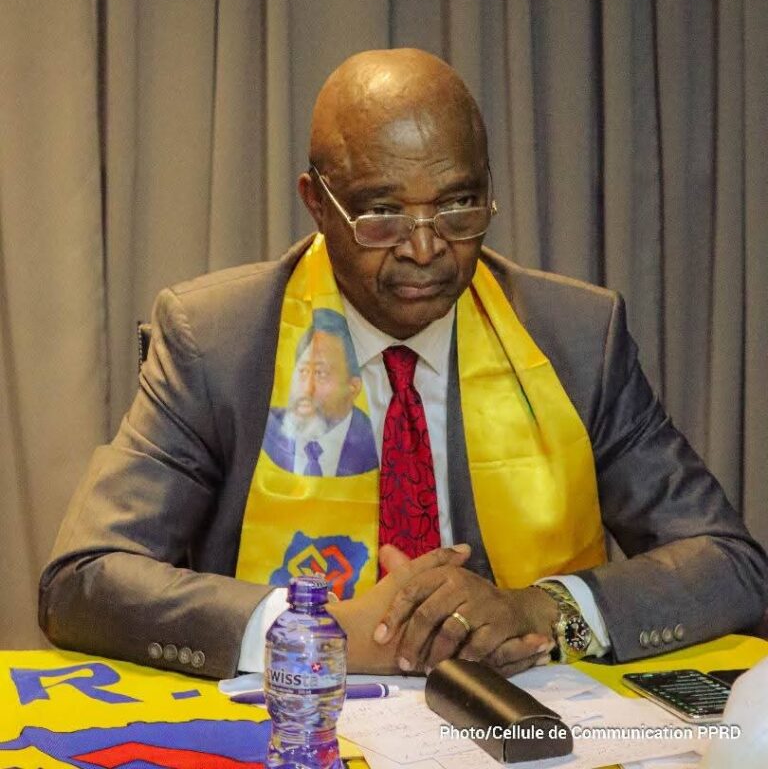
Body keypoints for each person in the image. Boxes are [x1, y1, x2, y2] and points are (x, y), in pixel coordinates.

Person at [39, 48, 767, 681]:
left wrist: (541, 610)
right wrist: (317, 631)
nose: (425, 248)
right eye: (382, 212)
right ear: (316, 204)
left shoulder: (576, 336)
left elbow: (728, 562)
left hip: (523, 718)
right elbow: (84, 579)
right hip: (296, 726)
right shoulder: (218, 342)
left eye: (458, 206)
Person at [262, 308, 378, 478]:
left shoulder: (378, 445)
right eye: (302, 371)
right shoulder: (263, 431)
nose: (307, 389)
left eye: (320, 374)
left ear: (353, 387)